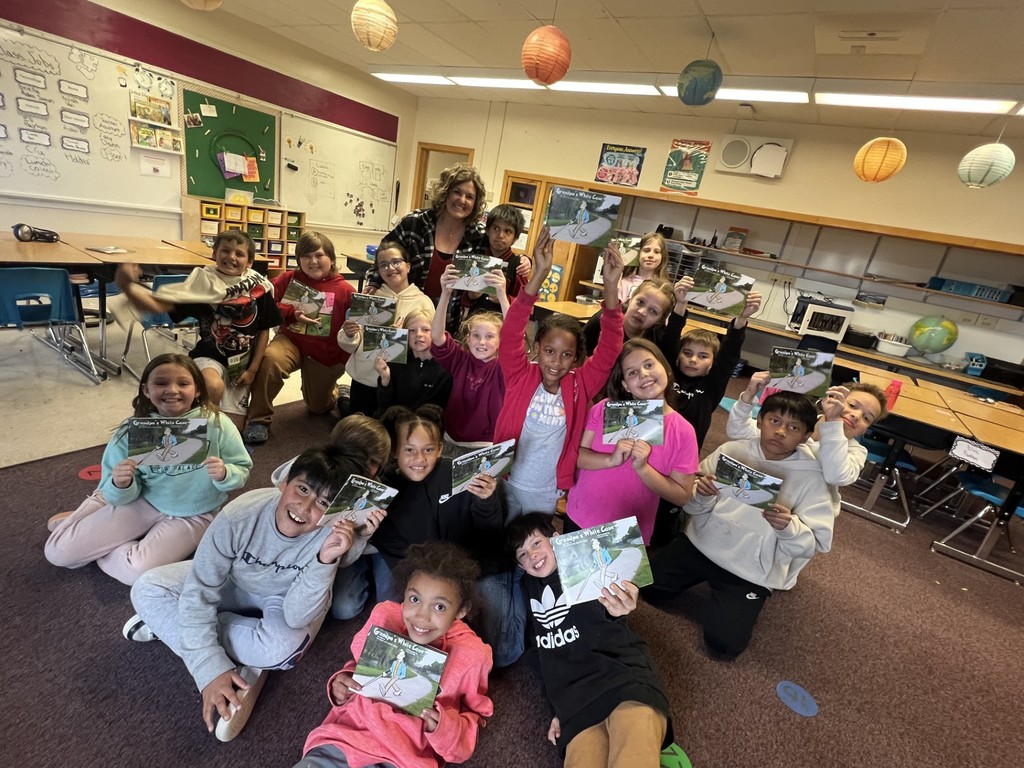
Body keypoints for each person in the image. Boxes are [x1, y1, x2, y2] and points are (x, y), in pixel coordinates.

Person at [124, 447, 363, 742]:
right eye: (302, 489)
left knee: (285, 650)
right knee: (146, 589)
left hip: (283, 597)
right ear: (284, 482)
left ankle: (175, 625)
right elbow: (202, 586)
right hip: (232, 580)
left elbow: (297, 616)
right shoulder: (240, 515)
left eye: (323, 503)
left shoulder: (331, 535)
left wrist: (324, 561)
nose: (305, 507)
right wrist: (209, 669)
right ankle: (207, 640)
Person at [643, 391, 834, 658]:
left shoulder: (813, 478)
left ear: (805, 436)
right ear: (760, 420)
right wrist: (702, 494)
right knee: (648, 588)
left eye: (793, 428)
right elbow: (691, 506)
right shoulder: (732, 450)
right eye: (775, 421)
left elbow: (813, 545)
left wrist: (788, 527)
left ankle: (736, 601)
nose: (780, 432)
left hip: (750, 569)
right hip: (702, 543)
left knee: (725, 644)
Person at [44, 354, 251, 585]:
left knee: (138, 573)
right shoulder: (131, 431)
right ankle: (92, 517)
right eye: (161, 383)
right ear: (146, 390)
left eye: (183, 383)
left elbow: (241, 469)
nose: (172, 390)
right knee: (57, 553)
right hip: (143, 500)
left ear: (198, 390)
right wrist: (121, 483)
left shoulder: (218, 424)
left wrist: (225, 474)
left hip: (195, 513)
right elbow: (114, 489)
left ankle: (94, 539)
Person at [296, 541, 493, 768]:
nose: (421, 617)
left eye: (439, 607)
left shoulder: (473, 656)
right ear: (405, 593)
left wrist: (444, 727)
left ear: (461, 610)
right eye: (414, 599)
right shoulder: (385, 616)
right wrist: (343, 682)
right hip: (344, 740)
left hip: (402, 758)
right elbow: (357, 665)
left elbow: (474, 719)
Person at [508, 513, 673, 767]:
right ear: (520, 566)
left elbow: (613, 611)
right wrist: (556, 709)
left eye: (536, 543)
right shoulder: (526, 593)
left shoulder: (582, 564)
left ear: (556, 539)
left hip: (621, 677)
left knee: (633, 755)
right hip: (575, 702)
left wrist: (619, 608)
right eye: (522, 554)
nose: (532, 555)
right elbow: (538, 657)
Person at [495, 226, 625, 518]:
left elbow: (609, 348)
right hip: (506, 479)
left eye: (567, 355)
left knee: (534, 540)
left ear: (576, 358)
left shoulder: (580, 384)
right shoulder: (520, 374)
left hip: (545, 490)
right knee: (500, 536)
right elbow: (511, 331)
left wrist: (611, 287)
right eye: (550, 351)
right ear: (537, 348)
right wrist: (539, 273)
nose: (556, 362)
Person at [115, 230, 282, 428]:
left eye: (239, 253)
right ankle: (198, 432)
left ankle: (210, 429)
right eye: (225, 250)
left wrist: (253, 370)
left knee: (234, 428)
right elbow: (158, 305)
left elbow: (264, 330)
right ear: (214, 254)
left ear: (249, 262)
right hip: (209, 356)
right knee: (212, 387)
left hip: (243, 363)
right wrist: (127, 285)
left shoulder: (259, 287)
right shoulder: (202, 283)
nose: (231, 257)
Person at [563, 339, 698, 544]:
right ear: (625, 385)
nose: (643, 374)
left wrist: (643, 469)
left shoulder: (683, 431)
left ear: (667, 370)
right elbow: (576, 455)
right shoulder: (605, 409)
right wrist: (610, 460)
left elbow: (682, 495)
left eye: (649, 364)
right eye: (632, 372)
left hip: (627, 531)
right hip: (581, 514)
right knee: (569, 565)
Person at [243, 231, 355, 444]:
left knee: (318, 407)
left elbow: (355, 331)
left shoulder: (346, 291)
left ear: (331, 259)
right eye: (306, 256)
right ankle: (258, 419)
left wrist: (342, 360)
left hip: (324, 355)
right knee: (270, 359)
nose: (313, 261)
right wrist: (290, 313)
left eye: (319, 255)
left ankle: (338, 392)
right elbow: (264, 304)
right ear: (298, 260)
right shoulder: (288, 279)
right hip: (291, 341)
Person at [727, 372, 887, 513]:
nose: (856, 415)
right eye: (852, 405)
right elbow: (738, 432)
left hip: (804, 512)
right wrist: (748, 395)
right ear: (833, 399)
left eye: (867, 418)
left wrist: (833, 424)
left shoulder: (856, 451)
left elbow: (835, 476)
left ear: (864, 431)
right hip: (763, 492)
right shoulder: (797, 422)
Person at [338, 241, 433, 416]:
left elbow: (427, 346)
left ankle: (344, 400)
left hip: (399, 381)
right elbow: (351, 343)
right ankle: (344, 401)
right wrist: (349, 334)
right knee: (358, 424)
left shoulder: (423, 302)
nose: (390, 268)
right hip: (365, 377)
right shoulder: (370, 296)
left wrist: (403, 336)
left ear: (408, 266)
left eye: (396, 262)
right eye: (383, 265)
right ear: (379, 271)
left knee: (389, 424)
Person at [371, 164, 487, 304]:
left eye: (469, 197)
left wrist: (521, 262)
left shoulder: (479, 235)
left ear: (475, 203)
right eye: (457, 192)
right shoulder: (415, 223)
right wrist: (374, 281)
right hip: (410, 310)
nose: (462, 200)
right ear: (445, 193)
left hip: (453, 313)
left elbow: (485, 280)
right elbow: (383, 253)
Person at [668, 291, 762, 448]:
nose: (693, 359)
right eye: (687, 353)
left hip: (685, 450)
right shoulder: (668, 374)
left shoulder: (711, 386)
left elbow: (728, 356)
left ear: (712, 363)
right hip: (656, 444)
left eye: (703, 356)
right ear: (678, 355)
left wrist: (742, 319)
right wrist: (681, 303)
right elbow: (671, 337)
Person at [431, 267, 507, 457]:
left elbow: (514, 337)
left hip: (484, 446)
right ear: (468, 338)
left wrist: (502, 296)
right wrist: (445, 294)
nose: (482, 342)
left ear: (501, 341)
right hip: (451, 441)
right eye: (476, 335)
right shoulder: (460, 359)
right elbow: (437, 337)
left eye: (490, 336)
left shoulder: (503, 367)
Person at [375, 307, 452, 418]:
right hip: (397, 422)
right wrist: (385, 379)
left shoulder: (446, 368)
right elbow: (384, 406)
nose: (419, 334)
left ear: (436, 332)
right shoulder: (396, 362)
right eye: (412, 330)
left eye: (426, 330)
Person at [582, 276, 685, 357]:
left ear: (659, 320)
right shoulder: (605, 319)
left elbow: (670, 355)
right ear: (631, 299)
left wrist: (681, 303)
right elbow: (579, 352)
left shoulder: (656, 335)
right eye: (640, 302)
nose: (642, 312)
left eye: (653, 311)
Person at [461, 204, 531, 320]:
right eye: (496, 228)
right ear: (487, 231)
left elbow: (524, 305)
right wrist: (470, 295)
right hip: (474, 322)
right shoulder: (476, 259)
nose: (500, 235)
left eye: (508, 231)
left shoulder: (519, 266)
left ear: (515, 238)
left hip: (502, 325)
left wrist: (504, 299)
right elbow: (463, 298)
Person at [617, 232, 669, 304]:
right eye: (646, 250)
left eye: (656, 252)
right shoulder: (624, 283)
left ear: (662, 257)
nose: (651, 255)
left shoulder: (664, 288)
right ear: (638, 253)